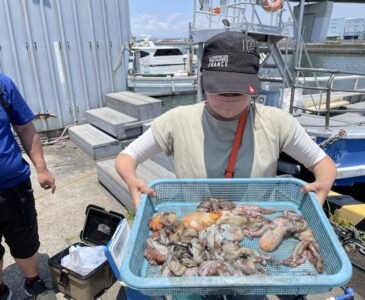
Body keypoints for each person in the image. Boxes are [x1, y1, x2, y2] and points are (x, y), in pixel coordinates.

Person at [116, 31, 337, 300]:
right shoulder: (177, 121)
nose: (229, 99)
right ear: (203, 81)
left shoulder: (278, 123)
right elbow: (127, 157)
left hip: (250, 234)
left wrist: (322, 188)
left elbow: (321, 162)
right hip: (193, 232)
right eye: (220, 89)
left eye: (239, 91)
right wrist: (132, 180)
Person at [0, 73, 56, 300]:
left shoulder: (3, 84)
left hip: (14, 185)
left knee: (25, 237)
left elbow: (25, 128)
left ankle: (32, 281)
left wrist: (41, 168)